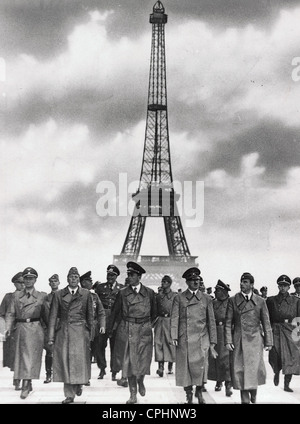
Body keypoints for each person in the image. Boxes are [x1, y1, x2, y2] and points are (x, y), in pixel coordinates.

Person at [108, 261, 157, 404]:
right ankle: (133, 394)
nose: (129, 277)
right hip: (128, 328)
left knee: (142, 362)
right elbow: (115, 312)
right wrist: (110, 330)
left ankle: (141, 380)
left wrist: (146, 325)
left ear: (139, 276)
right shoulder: (122, 293)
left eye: (133, 275)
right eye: (128, 274)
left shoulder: (149, 293)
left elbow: (155, 313)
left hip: (144, 330)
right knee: (129, 364)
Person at [170, 267, 218, 404]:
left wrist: (213, 341)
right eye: (192, 280)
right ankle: (188, 393)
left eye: (197, 279)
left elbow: (211, 321)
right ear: (187, 282)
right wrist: (174, 336)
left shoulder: (207, 298)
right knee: (185, 368)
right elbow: (174, 318)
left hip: (201, 337)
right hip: (185, 337)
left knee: (201, 366)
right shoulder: (179, 298)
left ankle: (199, 391)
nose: (196, 282)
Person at [225, 272, 273, 404]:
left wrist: (269, 341)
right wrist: (228, 340)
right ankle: (244, 400)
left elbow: (266, 322)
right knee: (240, 370)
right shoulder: (233, 300)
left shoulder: (260, 301)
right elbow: (228, 323)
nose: (242, 284)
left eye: (245, 282)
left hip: (255, 340)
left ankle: (253, 392)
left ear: (252, 285)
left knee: (253, 369)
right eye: (241, 281)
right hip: (239, 340)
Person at [48, 267, 94, 404]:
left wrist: (91, 334)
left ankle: (79, 383)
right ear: (67, 279)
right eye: (71, 277)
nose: (73, 279)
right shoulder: (59, 295)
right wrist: (50, 337)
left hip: (80, 332)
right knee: (66, 362)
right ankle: (69, 394)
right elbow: (52, 317)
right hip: (64, 332)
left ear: (79, 279)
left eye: (75, 277)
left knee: (79, 362)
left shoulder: (86, 294)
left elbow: (90, 315)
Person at [5, 267, 48, 399]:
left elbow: (47, 316)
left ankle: (26, 384)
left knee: (31, 359)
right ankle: (26, 382)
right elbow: (10, 313)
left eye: (31, 278)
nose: (28, 281)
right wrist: (7, 328)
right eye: (26, 278)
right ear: (23, 279)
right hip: (20, 328)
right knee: (21, 358)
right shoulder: (16, 296)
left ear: (35, 280)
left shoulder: (42, 296)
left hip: (35, 329)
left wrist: (49, 333)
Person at [266, 275, 300, 392]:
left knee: (290, 357)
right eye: (281, 285)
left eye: (285, 286)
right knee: (275, 354)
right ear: (278, 286)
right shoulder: (271, 300)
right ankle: (276, 371)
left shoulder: (296, 301)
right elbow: (267, 318)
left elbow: (298, 318)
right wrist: (267, 332)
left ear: (289, 287)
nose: (283, 288)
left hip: (290, 330)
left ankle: (286, 383)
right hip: (275, 329)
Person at [94, 264, 124, 381]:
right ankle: (102, 368)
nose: (109, 277)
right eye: (108, 274)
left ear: (116, 276)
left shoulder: (122, 288)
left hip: (115, 318)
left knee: (115, 346)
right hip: (103, 318)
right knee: (100, 344)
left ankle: (114, 370)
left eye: (112, 275)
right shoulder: (100, 288)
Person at [79, 271, 106, 386]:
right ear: (83, 283)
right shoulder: (78, 296)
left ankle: (102, 368)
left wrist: (102, 325)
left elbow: (101, 312)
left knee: (98, 349)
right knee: (85, 352)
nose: (91, 283)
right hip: (83, 327)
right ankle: (86, 376)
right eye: (89, 281)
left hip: (94, 327)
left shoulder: (94, 296)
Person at [208, 280, 232, 397]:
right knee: (215, 359)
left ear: (223, 291)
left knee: (226, 359)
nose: (214, 292)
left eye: (217, 290)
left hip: (227, 332)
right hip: (215, 331)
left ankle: (228, 384)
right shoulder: (213, 303)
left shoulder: (231, 303)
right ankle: (219, 381)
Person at [0, 272, 24, 390]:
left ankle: (26, 380)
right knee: (15, 357)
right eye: (20, 282)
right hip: (13, 331)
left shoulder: (29, 296)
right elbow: (2, 315)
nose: (23, 285)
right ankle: (17, 380)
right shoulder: (8, 297)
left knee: (26, 356)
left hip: (26, 330)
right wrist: (4, 330)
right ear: (15, 283)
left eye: (24, 282)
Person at [154, 275, 176, 377]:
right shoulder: (158, 297)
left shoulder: (175, 296)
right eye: (162, 282)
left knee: (170, 343)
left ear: (169, 283)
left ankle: (170, 364)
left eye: (164, 282)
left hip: (171, 321)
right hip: (160, 320)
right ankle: (160, 366)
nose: (162, 284)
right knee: (158, 343)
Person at [43, 273, 60, 384]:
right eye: (51, 282)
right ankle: (48, 374)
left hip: (60, 327)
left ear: (59, 283)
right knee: (49, 351)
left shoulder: (63, 295)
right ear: (49, 284)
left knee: (61, 351)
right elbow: (43, 313)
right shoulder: (46, 298)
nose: (53, 283)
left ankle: (59, 373)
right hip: (48, 327)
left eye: (55, 281)